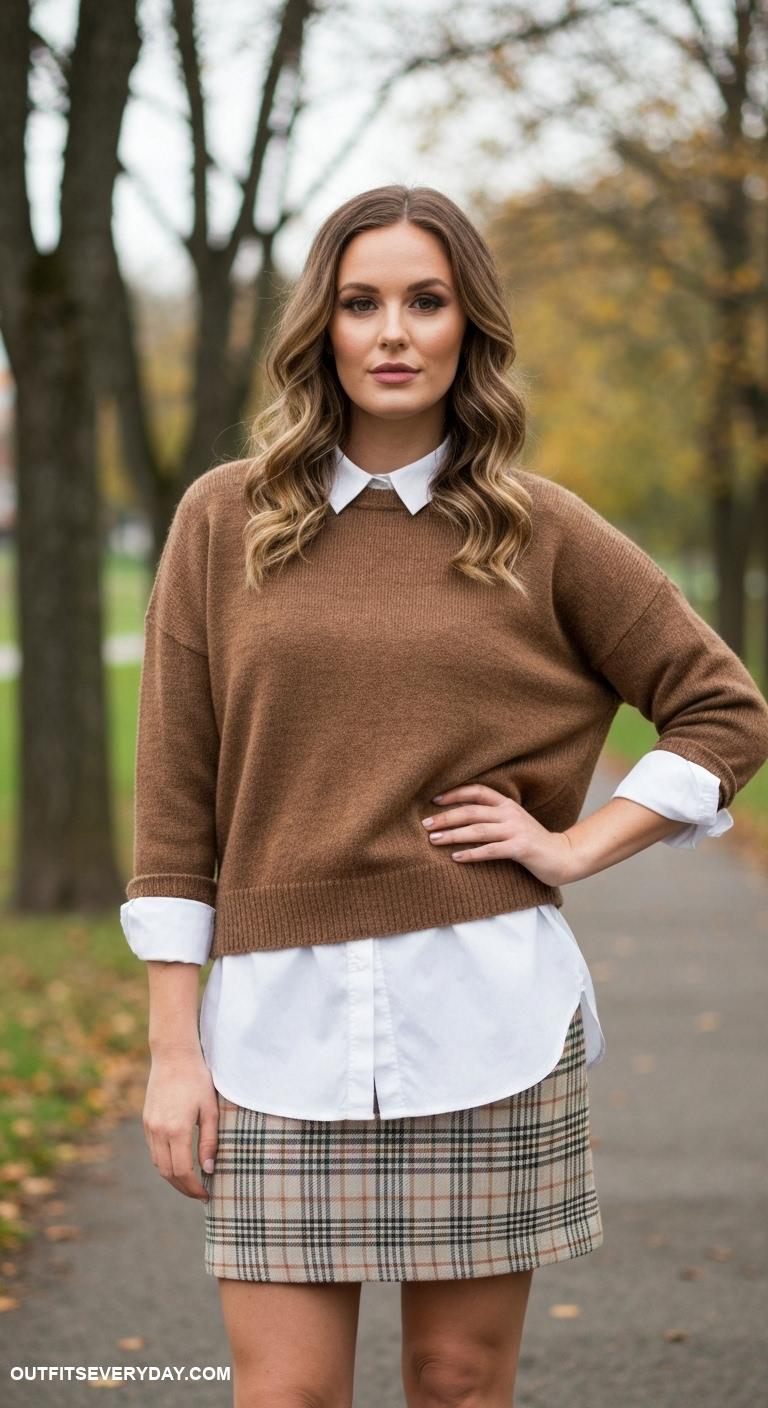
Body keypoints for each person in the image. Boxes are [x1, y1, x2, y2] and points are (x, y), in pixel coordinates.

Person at [120, 184, 768, 1408]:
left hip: (490, 1024)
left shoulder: (541, 530)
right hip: (273, 1040)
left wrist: (578, 846)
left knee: (461, 1383)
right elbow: (173, 800)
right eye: (362, 302)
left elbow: (724, 708)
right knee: (287, 1396)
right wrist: (171, 1049)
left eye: (428, 301)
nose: (394, 332)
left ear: (470, 326)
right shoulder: (225, 518)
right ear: (323, 325)